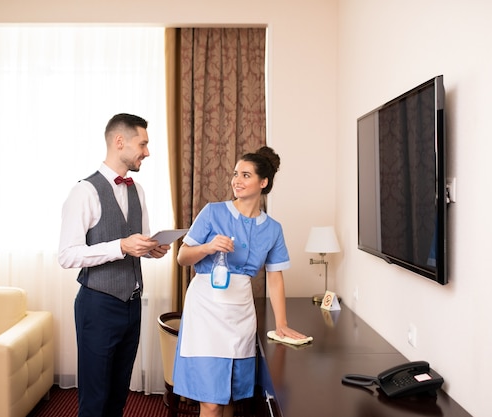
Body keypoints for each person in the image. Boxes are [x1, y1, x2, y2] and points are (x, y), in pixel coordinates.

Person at [173, 146, 306, 417]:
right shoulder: (213, 213)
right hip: (206, 310)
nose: (237, 180)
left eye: (245, 175)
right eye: (235, 174)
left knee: (230, 396)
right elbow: (183, 257)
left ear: (263, 182)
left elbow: (275, 276)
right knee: (210, 402)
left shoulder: (273, 229)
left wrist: (281, 324)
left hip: (240, 312)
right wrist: (208, 247)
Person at [58, 113, 170, 417]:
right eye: (143, 143)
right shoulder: (84, 191)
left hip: (132, 305)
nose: (147, 151)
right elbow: (67, 255)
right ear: (119, 141)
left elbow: (139, 243)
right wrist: (120, 246)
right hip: (97, 306)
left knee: (119, 396)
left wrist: (151, 249)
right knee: (94, 400)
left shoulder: (138, 190)